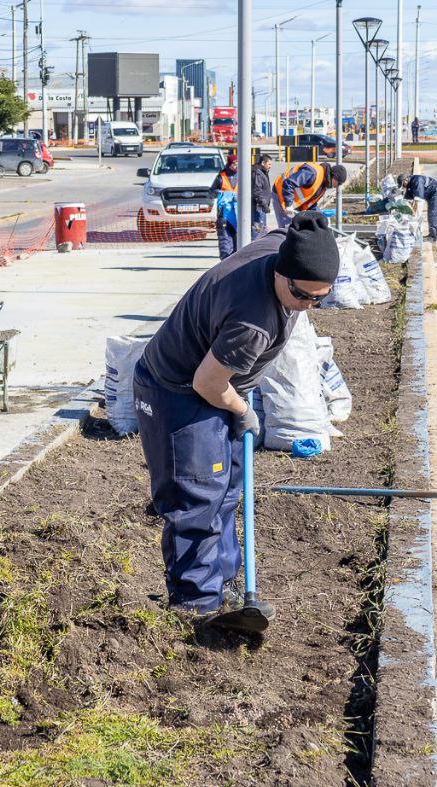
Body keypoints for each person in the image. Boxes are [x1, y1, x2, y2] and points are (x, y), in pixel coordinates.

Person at [132, 213, 340, 626]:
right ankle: (195, 605)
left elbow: (288, 226)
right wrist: (243, 410)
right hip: (178, 390)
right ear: (282, 273)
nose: (308, 305)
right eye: (302, 296)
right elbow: (208, 383)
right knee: (197, 498)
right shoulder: (253, 322)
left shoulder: (281, 245)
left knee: (227, 486)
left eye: (320, 298)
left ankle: (223, 582)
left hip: (216, 385)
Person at [272, 162, 348, 230]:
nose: (338, 186)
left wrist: (320, 217)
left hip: (292, 202)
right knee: (287, 230)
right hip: (281, 194)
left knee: (297, 230)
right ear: (334, 177)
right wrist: (288, 204)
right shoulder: (312, 173)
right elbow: (288, 183)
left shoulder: (323, 185)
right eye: (339, 183)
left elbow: (311, 204)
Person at [398, 172, 437, 241]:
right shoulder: (409, 185)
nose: (403, 187)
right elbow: (408, 202)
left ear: (405, 180)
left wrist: (415, 219)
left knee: (433, 213)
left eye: (403, 185)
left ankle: (432, 237)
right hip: (427, 192)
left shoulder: (417, 181)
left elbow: (419, 202)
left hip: (435, 191)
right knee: (416, 213)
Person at [210, 154, 240, 259]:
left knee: (239, 242)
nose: (237, 166)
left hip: (239, 214)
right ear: (230, 164)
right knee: (225, 241)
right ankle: (225, 261)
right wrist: (225, 194)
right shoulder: (221, 176)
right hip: (224, 214)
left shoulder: (243, 175)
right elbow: (212, 192)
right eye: (235, 164)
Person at [250, 154, 274, 240]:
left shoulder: (262, 172)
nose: (270, 166)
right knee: (258, 230)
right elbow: (257, 191)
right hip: (258, 207)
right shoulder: (258, 173)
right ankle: (255, 251)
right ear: (263, 163)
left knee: (261, 230)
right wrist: (264, 205)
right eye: (269, 164)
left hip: (260, 207)